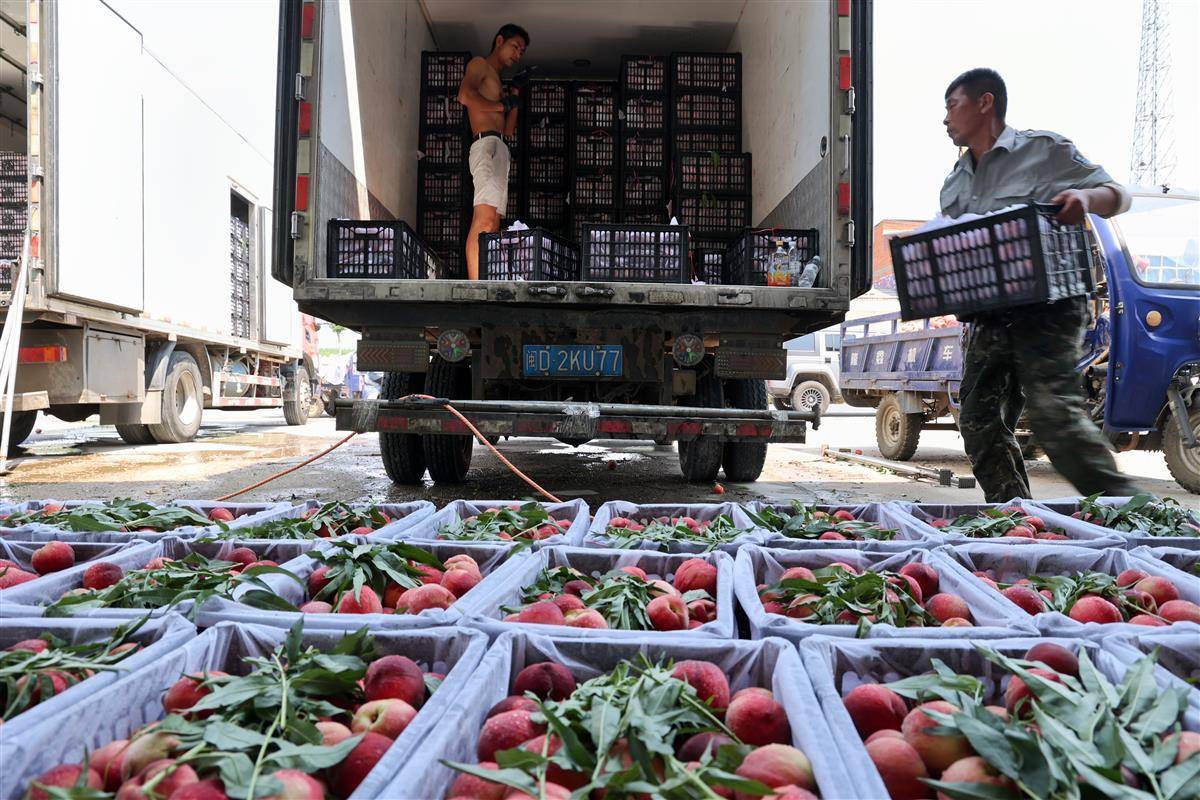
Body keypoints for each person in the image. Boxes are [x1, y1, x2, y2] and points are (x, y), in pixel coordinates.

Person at [939, 67, 1140, 501]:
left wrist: (1085, 198)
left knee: (1053, 417)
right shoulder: (954, 182)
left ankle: (1128, 512)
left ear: (984, 102)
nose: (946, 118)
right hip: (992, 313)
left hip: (1050, 304)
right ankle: (1016, 516)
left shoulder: (1043, 150)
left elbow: (1117, 195)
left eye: (952, 105)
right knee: (977, 416)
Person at [458, 23, 528, 280]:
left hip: (500, 147)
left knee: (494, 224)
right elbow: (465, 96)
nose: (518, 54)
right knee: (484, 220)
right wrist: (500, 105)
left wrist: (515, 97)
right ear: (499, 40)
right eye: (515, 46)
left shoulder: (498, 80)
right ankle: (477, 286)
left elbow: (508, 131)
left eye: (522, 51)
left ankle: (485, 280)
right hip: (485, 145)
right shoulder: (479, 65)